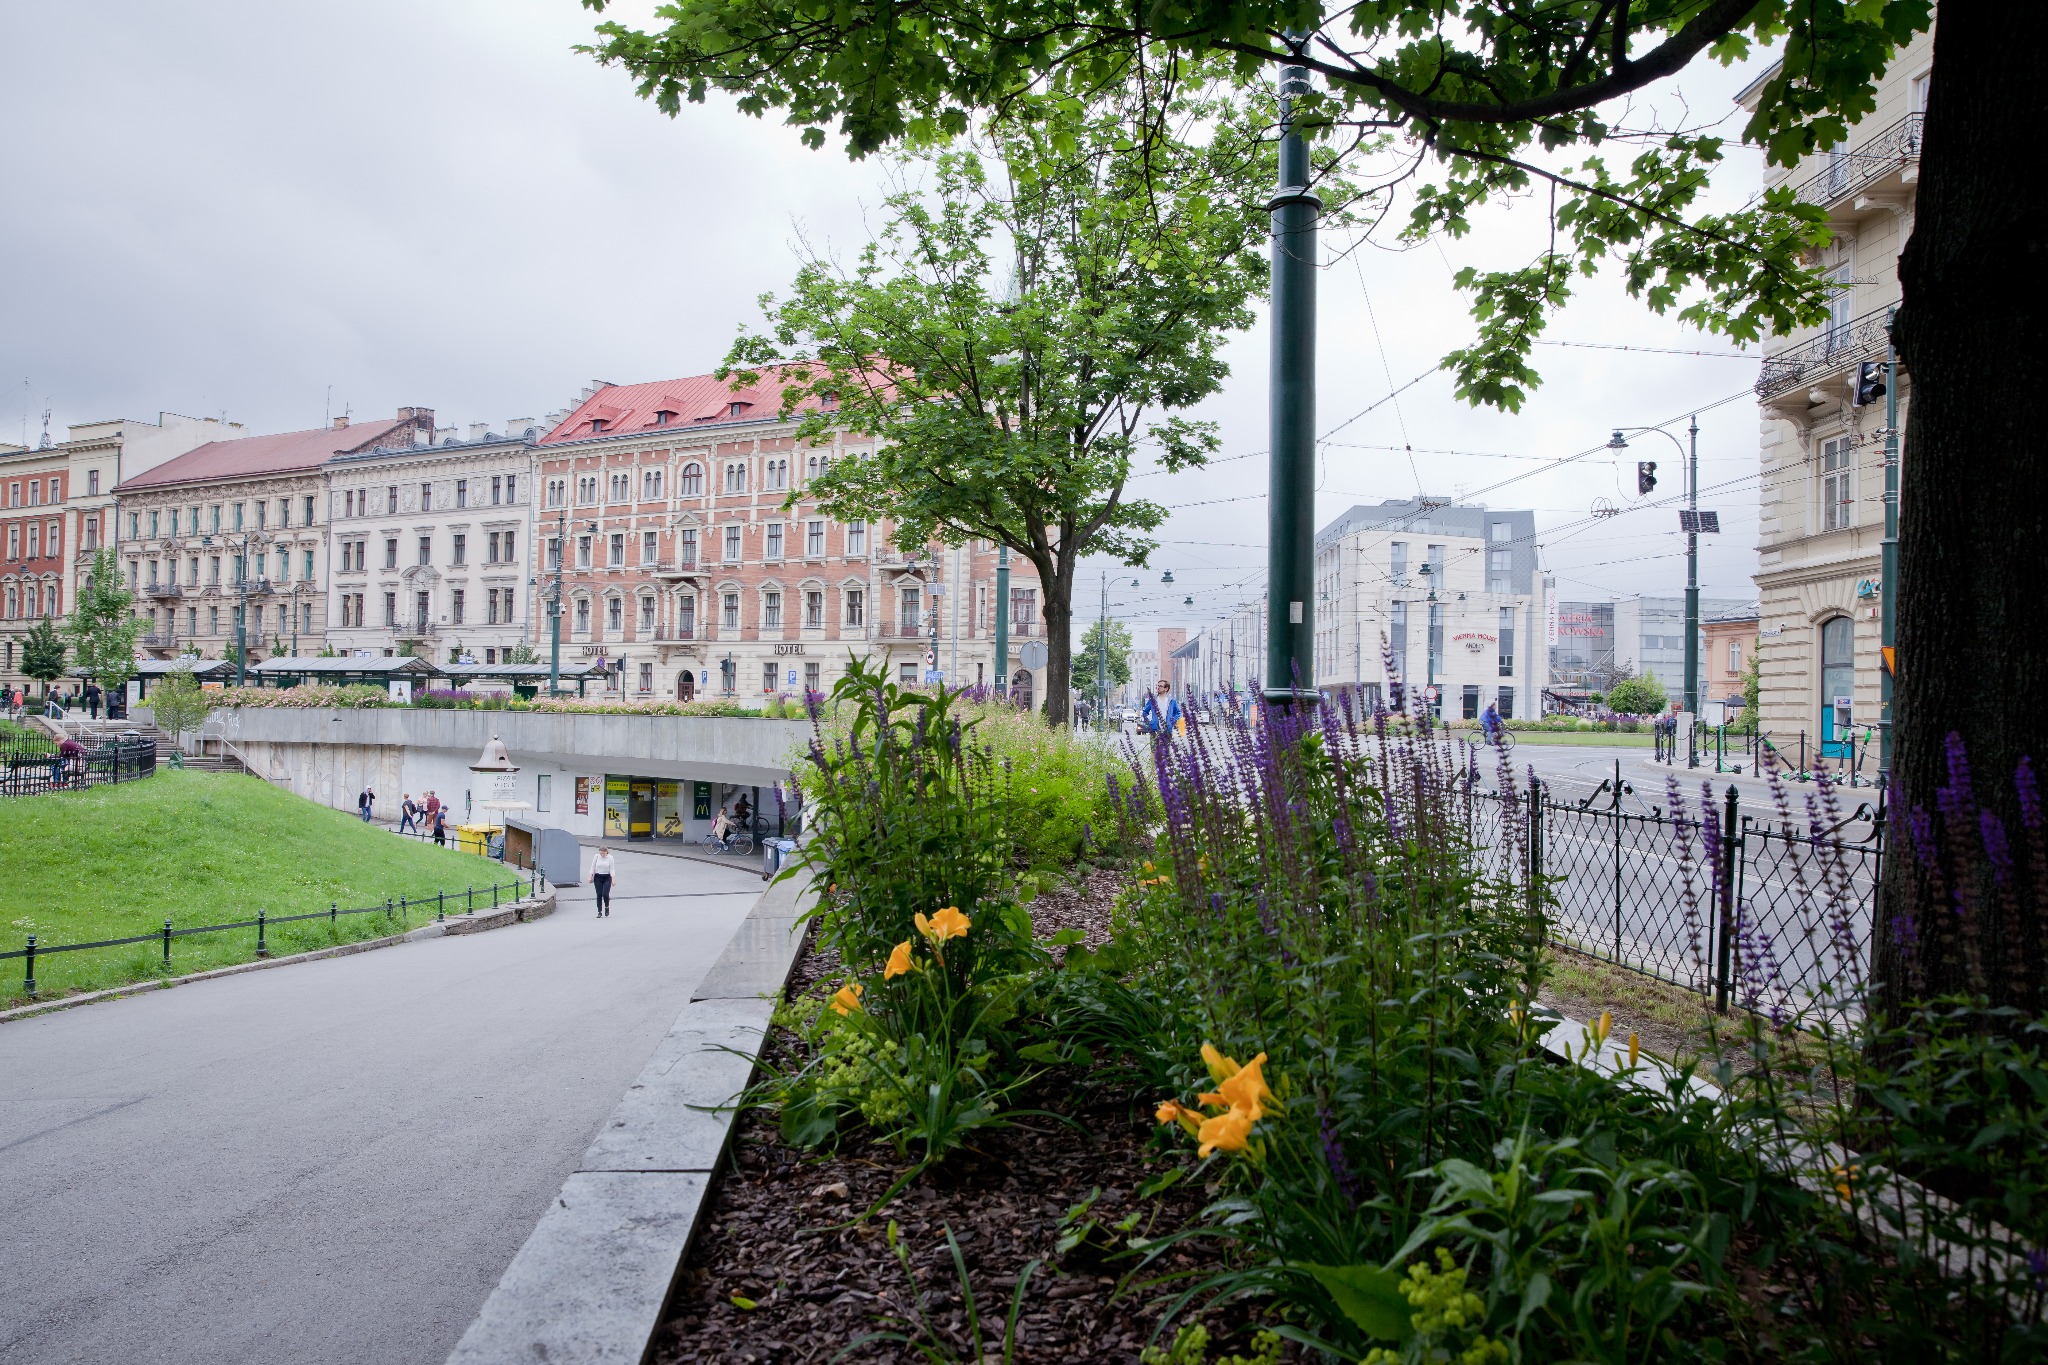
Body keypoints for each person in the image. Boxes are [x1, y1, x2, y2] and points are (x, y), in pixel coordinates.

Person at [590, 846, 616, 917]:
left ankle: (607, 907)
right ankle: (599, 911)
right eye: (601, 853)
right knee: (599, 894)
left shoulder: (610, 858)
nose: (602, 855)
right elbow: (593, 867)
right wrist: (590, 876)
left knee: (605, 894)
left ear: (606, 852)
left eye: (604, 853)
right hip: (598, 877)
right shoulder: (596, 857)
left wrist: (613, 879)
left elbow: (612, 869)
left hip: (607, 877)